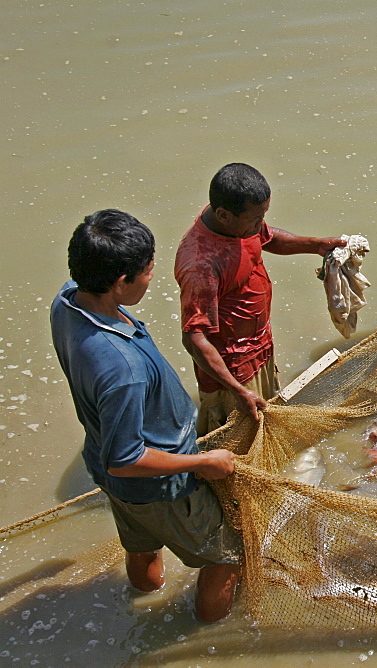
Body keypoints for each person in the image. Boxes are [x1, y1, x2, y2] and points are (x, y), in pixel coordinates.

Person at [50, 209, 243, 623]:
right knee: (227, 555)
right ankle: (206, 635)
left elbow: (113, 460)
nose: (152, 277)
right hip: (163, 486)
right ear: (120, 283)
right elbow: (126, 458)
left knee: (141, 545)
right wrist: (204, 461)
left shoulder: (67, 301)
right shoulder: (122, 370)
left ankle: (143, 607)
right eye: (147, 272)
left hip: (110, 473)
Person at [175, 163, 346, 435]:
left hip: (259, 347)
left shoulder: (237, 224)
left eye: (263, 214)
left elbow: (267, 237)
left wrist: (315, 245)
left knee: (266, 420)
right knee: (239, 440)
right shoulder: (201, 266)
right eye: (256, 218)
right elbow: (194, 339)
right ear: (223, 215)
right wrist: (237, 390)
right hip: (233, 367)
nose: (260, 223)